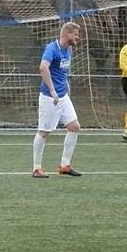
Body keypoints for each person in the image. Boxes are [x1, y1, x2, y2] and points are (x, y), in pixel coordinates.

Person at [32, 22, 82, 178]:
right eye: (76, 34)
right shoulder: (52, 48)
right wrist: (52, 91)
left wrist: (66, 86)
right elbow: (43, 67)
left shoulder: (69, 50)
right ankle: (36, 168)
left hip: (63, 97)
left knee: (74, 127)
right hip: (50, 98)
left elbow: (61, 72)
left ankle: (65, 165)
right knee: (43, 132)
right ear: (67, 34)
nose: (78, 38)